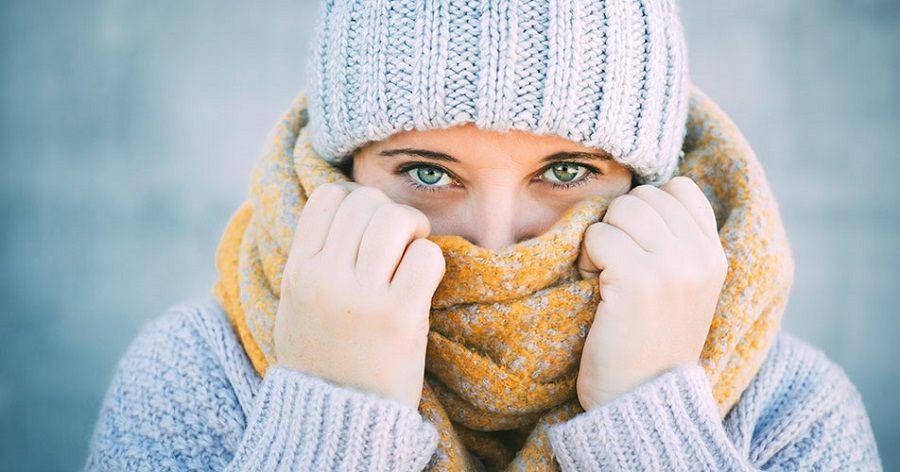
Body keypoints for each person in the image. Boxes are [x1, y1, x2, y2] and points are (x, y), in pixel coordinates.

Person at [84, 0, 882, 470]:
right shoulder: (201, 375)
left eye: (566, 171)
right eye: (427, 173)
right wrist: (332, 420)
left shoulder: (787, 409)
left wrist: (652, 421)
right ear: (340, 172)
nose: (496, 245)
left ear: (647, 185)